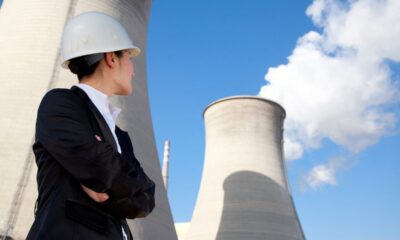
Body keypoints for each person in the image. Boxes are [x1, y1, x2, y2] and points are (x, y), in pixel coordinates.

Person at [26, 12, 155, 240]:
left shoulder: (121, 136)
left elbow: (147, 198)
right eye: (129, 57)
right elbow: (104, 169)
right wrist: (121, 185)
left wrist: (110, 186)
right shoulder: (60, 104)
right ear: (111, 58)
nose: (133, 69)